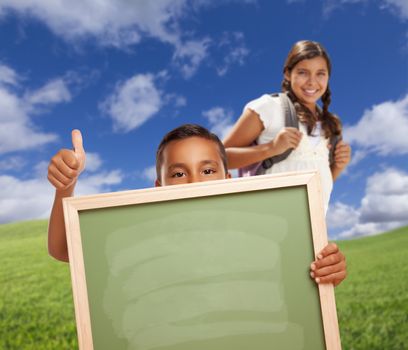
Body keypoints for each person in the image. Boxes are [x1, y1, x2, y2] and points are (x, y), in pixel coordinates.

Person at [47, 123, 346, 286]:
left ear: (227, 179)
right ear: (158, 187)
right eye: (178, 173)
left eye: (207, 170)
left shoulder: (261, 237)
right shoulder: (141, 237)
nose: (194, 183)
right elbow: (62, 249)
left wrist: (328, 270)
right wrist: (66, 186)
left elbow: (303, 277)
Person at [223, 40, 351, 215]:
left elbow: (321, 184)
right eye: (303, 73)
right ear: (288, 74)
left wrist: (338, 166)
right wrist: (271, 149)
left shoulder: (331, 124)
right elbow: (219, 158)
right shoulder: (269, 107)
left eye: (320, 73)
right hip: (266, 221)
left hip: (312, 227)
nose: (312, 82)